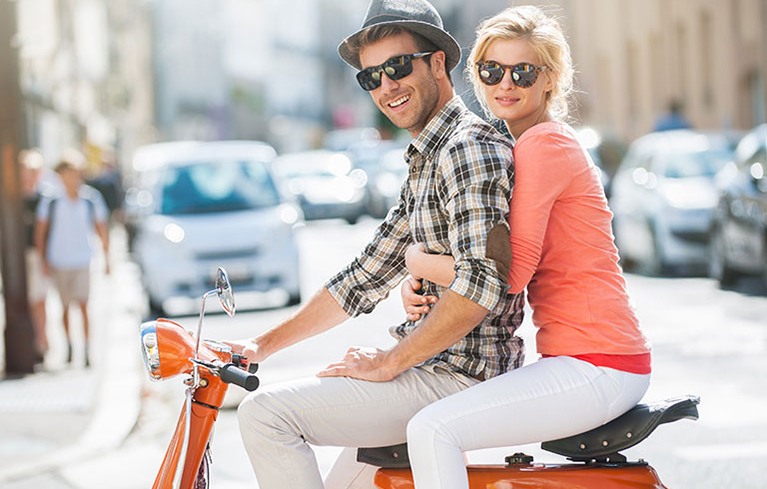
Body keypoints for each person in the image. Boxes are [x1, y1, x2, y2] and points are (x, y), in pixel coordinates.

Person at [224, 0, 525, 487]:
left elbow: (481, 285)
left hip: (460, 376)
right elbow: (363, 277)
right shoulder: (428, 156)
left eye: (398, 66)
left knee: (265, 415)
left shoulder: (466, 147)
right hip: (430, 367)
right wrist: (259, 346)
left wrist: (388, 363)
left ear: (437, 63)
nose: (386, 86)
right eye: (371, 77)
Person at [399, 7, 652, 489]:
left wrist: (417, 260)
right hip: (586, 359)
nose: (505, 84)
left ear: (550, 79)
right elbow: (483, 254)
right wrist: (423, 282)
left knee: (432, 429)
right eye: (491, 70)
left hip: (599, 362)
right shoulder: (525, 144)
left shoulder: (543, 145)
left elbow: (508, 274)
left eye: (523, 72)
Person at [35, 149, 110, 368]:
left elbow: (101, 228)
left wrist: (108, 258)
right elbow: (41, 231)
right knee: (65, 307)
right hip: (59, 260)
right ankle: (69, 345)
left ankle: (86, 349)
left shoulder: (90, 198)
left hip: (83, 259)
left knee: (84, 305)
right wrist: (43, 260)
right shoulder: (51, 200)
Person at [20, 149, 50, 363]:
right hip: (19, 257)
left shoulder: (45, 198)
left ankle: (41, 341)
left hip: (38, 254)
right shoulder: (13, 198)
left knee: (39, 300)